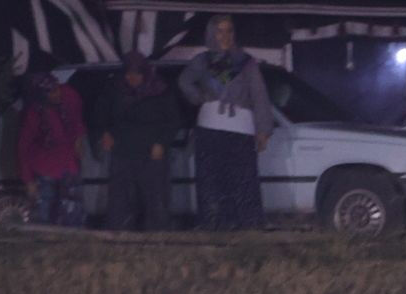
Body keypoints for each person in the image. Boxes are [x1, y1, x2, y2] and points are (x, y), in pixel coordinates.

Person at [178, 14, 272, 230]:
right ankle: (213, 227)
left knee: (243, 181)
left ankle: (248, 229)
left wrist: (263, 129)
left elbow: (259, 94)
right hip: (209, 127)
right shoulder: (201, 60)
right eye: (220, 30)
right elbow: (184, 81)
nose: (225, 35)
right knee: (210, 181)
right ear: (212, 33)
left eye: (229, 30)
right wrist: (199, 97)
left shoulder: (246, 62)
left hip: (241, 128)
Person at [93, 52, 179, 231]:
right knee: (120, 202)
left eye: (137, 73)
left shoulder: (161, 90)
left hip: (152, 155)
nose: (133, 78)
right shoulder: (113, 90)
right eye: (129, 73)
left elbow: (174, 120)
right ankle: (119, 243)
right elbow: (99, 116)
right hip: (123, 153)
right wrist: (104, 133)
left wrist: (162, 142)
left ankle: (158, 242)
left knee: (155, 201)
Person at [17, 71, 87, 228]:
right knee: (45, 218)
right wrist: (28, 181)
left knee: (73, 214)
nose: (57, 94)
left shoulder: (70, 95)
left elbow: (77, 120)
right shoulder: (33, 114)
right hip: (44, 168)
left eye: (56, 89)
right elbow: (23, 148)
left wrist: (79, 137)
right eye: (51, 92)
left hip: (69, 165)